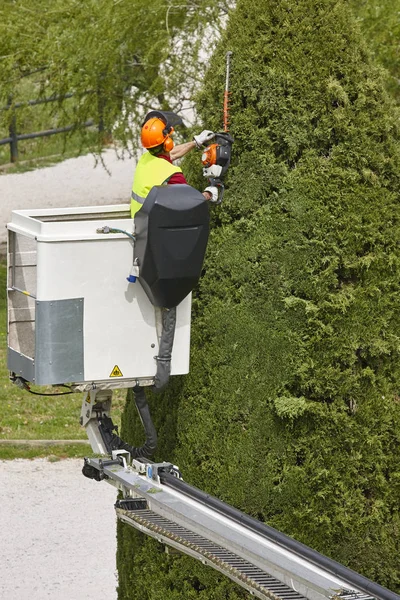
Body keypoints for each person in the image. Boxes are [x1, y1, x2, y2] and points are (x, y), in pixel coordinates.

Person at [131, 110, 219, 217]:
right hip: (156, 228)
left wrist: (196, 142)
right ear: (168, 143)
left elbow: (171, 154)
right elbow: (190, 202)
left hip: (139, 224)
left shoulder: (145, 159)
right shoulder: (172, 174)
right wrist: (208, 194)